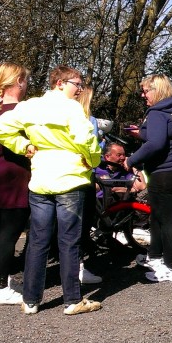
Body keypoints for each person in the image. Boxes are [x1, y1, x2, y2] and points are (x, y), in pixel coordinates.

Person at [0, 65, 102, 315]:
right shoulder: (71, 108)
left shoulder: (30, 106)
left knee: (38, 240)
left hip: (40, 179)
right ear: (60, 83)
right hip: (70, 179)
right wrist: (93, 160)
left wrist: (24, 145)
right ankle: (72, 300)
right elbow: (86, 139)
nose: (79, 90)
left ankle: (30, 300)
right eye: (76, 84)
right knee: (69, 240)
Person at [125, 74, 172, 281]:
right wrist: (144, 133)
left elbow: (156, 144)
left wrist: (131, 160)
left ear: (157, 91)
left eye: (146, 91)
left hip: (167, 170)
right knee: (157, 216)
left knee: (168, 220)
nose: (143, 95)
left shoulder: (157, 113)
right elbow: (166, 137)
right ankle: (155, 256)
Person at [0, 62, 31, 305]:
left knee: (0, 230)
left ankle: (3, 280)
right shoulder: (22, 110)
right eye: (25, 80)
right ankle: (0, 288)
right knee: (10, 233)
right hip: (17, 174)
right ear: (18, 81)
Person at [74, 86, 103, 284]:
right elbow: (94, 149)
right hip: (84, 175)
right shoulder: (88, 121)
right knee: (82, 224)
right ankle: (78, 268)